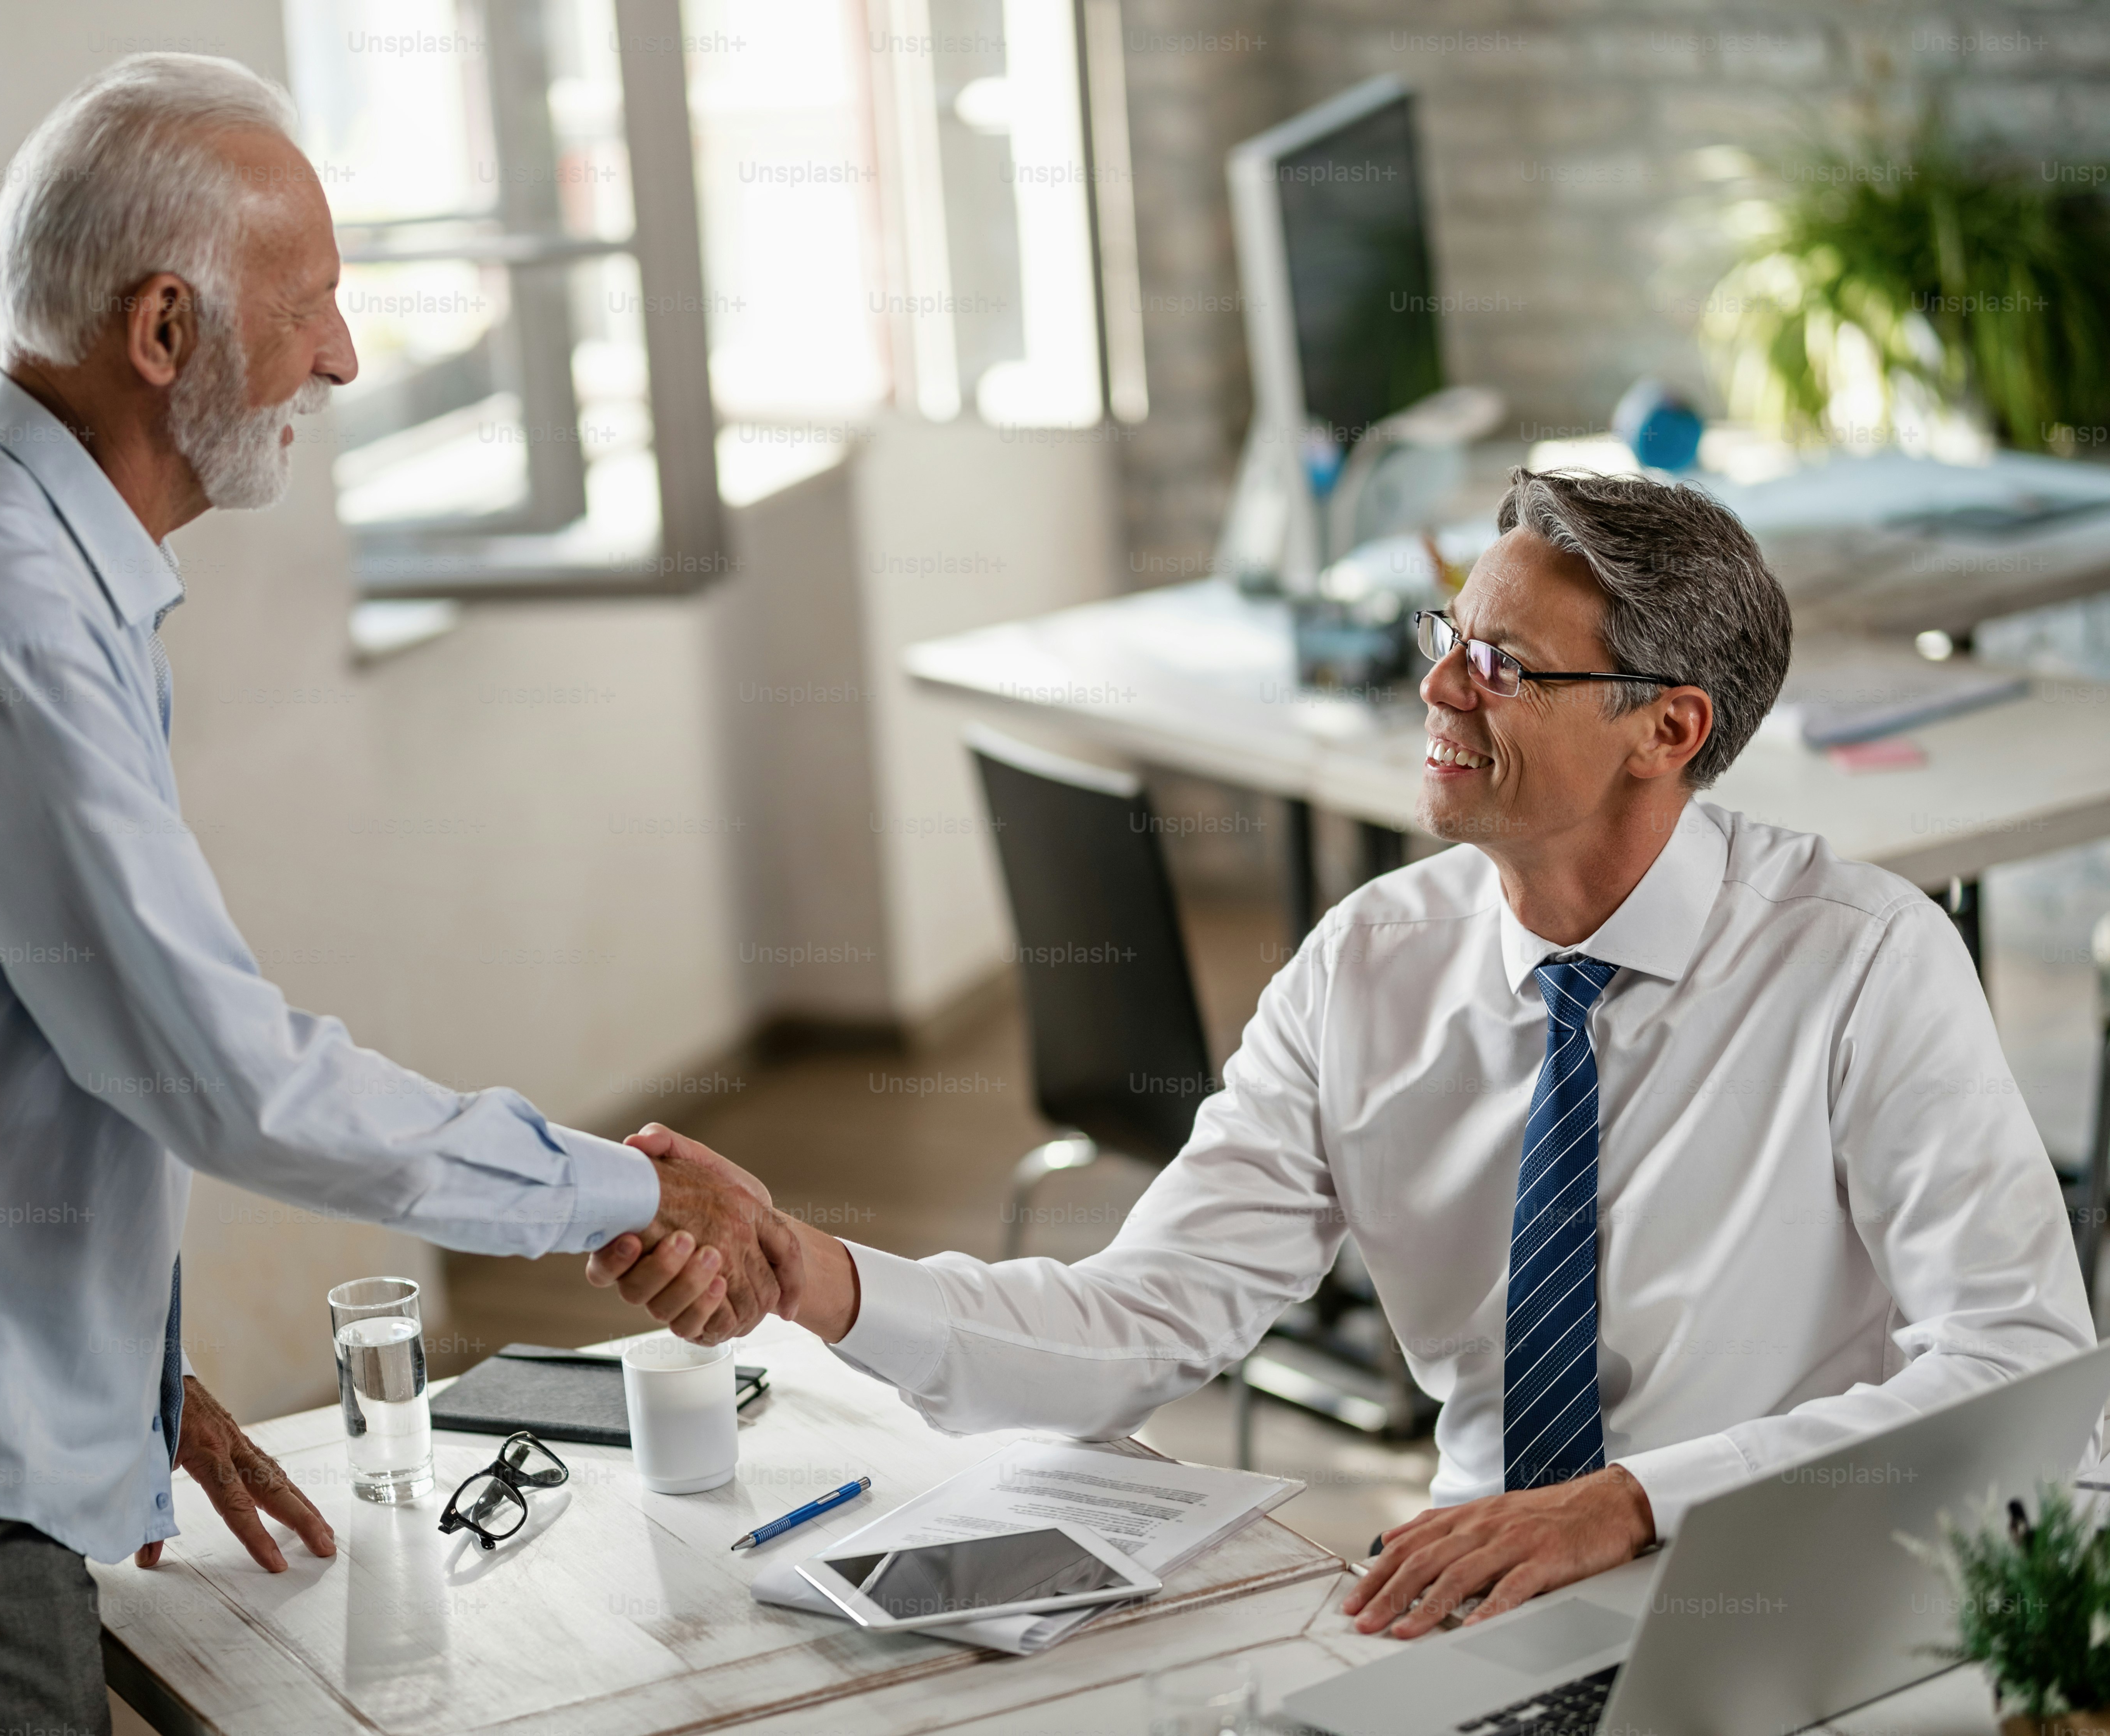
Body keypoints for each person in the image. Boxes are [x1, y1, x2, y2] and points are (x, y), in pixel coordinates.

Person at [0, 54, 793, 1736]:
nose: (338, 354)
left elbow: (2, 1051)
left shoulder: (12, 557)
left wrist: (126, 1375)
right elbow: (222, 1077)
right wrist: (618, 1188)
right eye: (312, 303)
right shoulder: (0, 614)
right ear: (165, 332)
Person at [596, 467, 2094, 1640]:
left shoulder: (1863, 960)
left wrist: (1631, 1504)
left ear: (1668, 730)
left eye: (1505, 665)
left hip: (1770, 1587)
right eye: (1450, 638)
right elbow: (1146, 1318)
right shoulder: (1369, 967)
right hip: (1461, 1591)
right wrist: (821, 1274)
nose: (1438, 690)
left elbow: (2018, 1362)